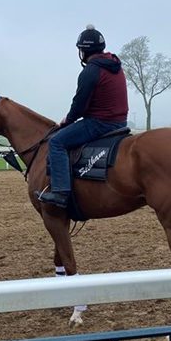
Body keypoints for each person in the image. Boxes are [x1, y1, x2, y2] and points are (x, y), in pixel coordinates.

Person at [36, 25, 128, 208]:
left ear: (83, 51)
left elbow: (79, 105)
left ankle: (61, 192)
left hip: (100, 123)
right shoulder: (115, 65)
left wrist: (68, 120)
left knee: (56, 143)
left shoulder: (91, 71)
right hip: (120, 123)